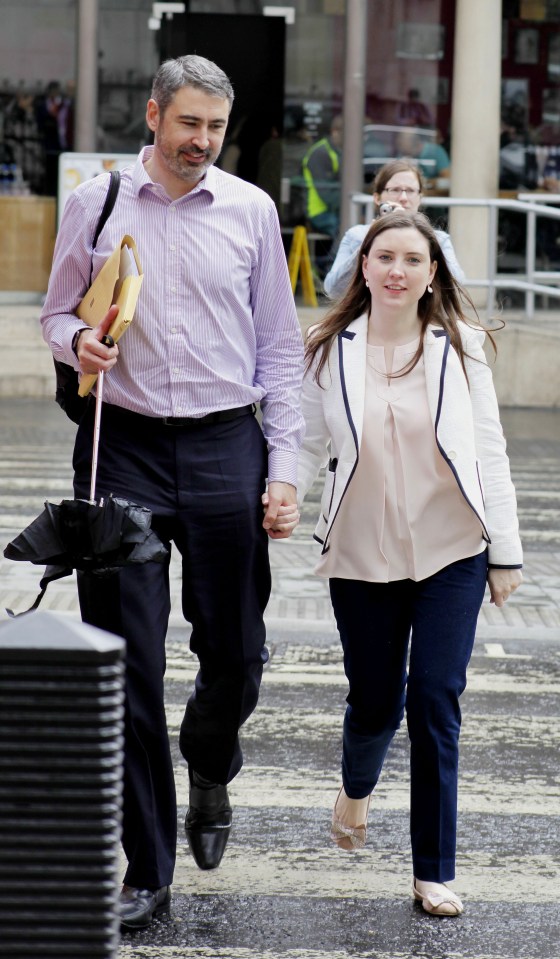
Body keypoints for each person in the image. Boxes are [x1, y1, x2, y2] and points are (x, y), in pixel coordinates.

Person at [40, 54, 304, 932]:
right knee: (129, 665)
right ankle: (147, 866)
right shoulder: (98, 201)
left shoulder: (252, 211)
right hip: (125, 449)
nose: (201, 142)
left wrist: (284, 465)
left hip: (230, 441)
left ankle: (209, 757)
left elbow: (278, 349)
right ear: (153, 115)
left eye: (215, 128)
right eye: (188, 123)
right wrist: (80, 339)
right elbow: (53, 311)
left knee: (236, 653)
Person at [296, 210, 523, 917]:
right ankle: (356, 788)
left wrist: (505, 552)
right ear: (363, 266)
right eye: (383, 256)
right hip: (363, 549)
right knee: (374, 699)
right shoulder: (328, 346)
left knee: (433, 695)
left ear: (432, 275)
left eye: (412, 260)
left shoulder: (460, 347)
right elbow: (303, 443)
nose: (397, 270)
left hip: (453, 545)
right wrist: (278, 497)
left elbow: (490, 449)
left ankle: (433, 869)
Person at [324, 160, 464, 298]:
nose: (403, 198)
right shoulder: (357, 235)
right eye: (395, 190)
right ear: (377, 198)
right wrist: (368, 242)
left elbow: (456, 287)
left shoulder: (438, 239)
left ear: (420, 198)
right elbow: (333, 290)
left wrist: (429, 245)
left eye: (410, 191)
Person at [301, 114, 343, 239]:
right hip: (317, 211)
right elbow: (326, 194)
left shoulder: (338, 151)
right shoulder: (320, 153)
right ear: (335, 132)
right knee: (345, 229)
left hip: (332, 209)